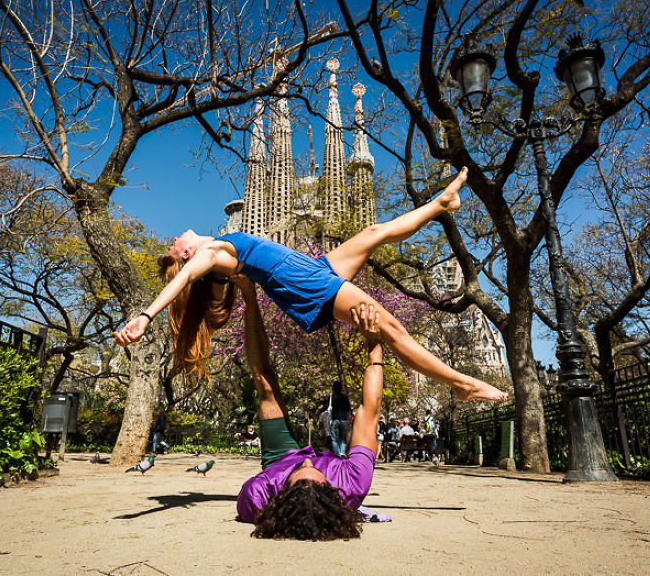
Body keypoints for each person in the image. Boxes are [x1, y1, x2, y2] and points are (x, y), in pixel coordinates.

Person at [114, 168, 506, 404]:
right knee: (392, 329)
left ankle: (441, 203)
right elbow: (183, 280)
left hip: (313, 267)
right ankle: (462, 384)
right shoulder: (210, 254)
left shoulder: (219, 250)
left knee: (374, 231)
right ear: (185, 253)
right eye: (173, 246)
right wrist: (147, 316)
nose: (174, 237)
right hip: (306, 285)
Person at [233, 275, 383, 540]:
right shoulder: (353, 484)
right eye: (313, 470)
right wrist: (374, 343)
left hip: (279, 461)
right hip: (321, 477)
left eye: (300, 472)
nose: (306, 460)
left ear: (280, 497)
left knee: (266, 386)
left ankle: (248, 293)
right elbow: (369, 411)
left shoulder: (256, 497)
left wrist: (287, 472)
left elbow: (258, 506)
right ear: (333, 493)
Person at [329, 380, 352, 457]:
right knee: (342, 438)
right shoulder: (345, 397)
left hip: (335, 419)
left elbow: (329, 408)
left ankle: (337, 454)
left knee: (334, 439)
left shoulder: (332, 397)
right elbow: (349, 409)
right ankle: (342, 453)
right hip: (344, 420)